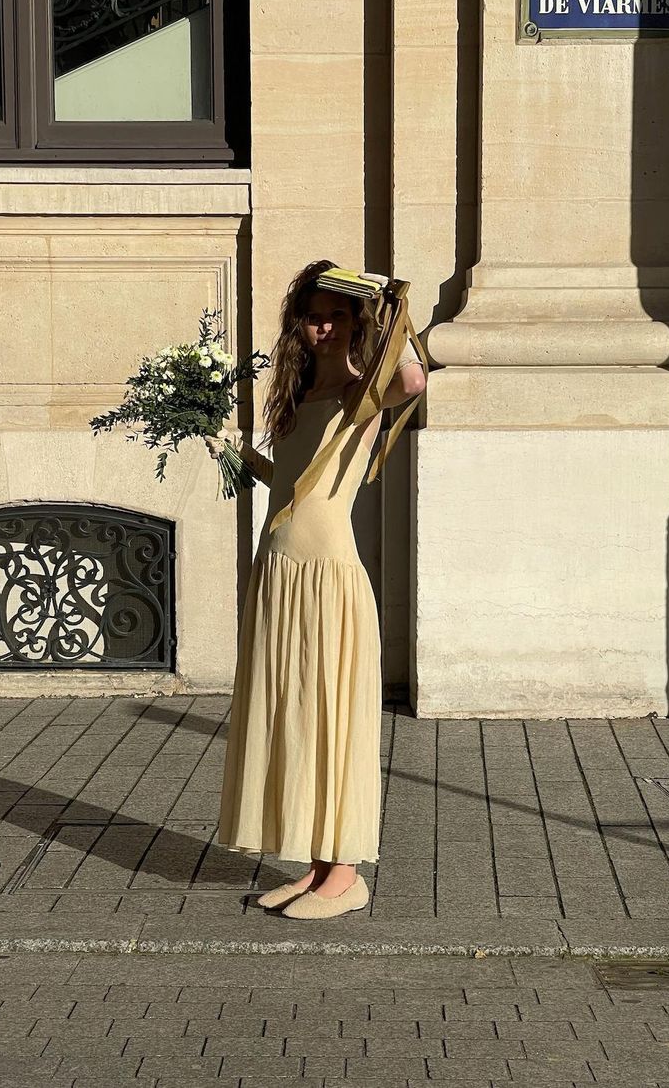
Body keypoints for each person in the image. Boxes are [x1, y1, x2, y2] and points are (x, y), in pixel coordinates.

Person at [205, 259, 427, 919]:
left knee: (330, 716)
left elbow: (414, 377)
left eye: (336, 312)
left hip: (327, 579)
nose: (322, 324)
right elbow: (291, 484)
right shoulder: (299, 393)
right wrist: (228, 447)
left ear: (356, 318)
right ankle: (319, 866)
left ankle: (347, 875)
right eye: (312, 313)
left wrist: (386, 302)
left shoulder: (367, 391)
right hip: (279, 575)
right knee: (298, 717)